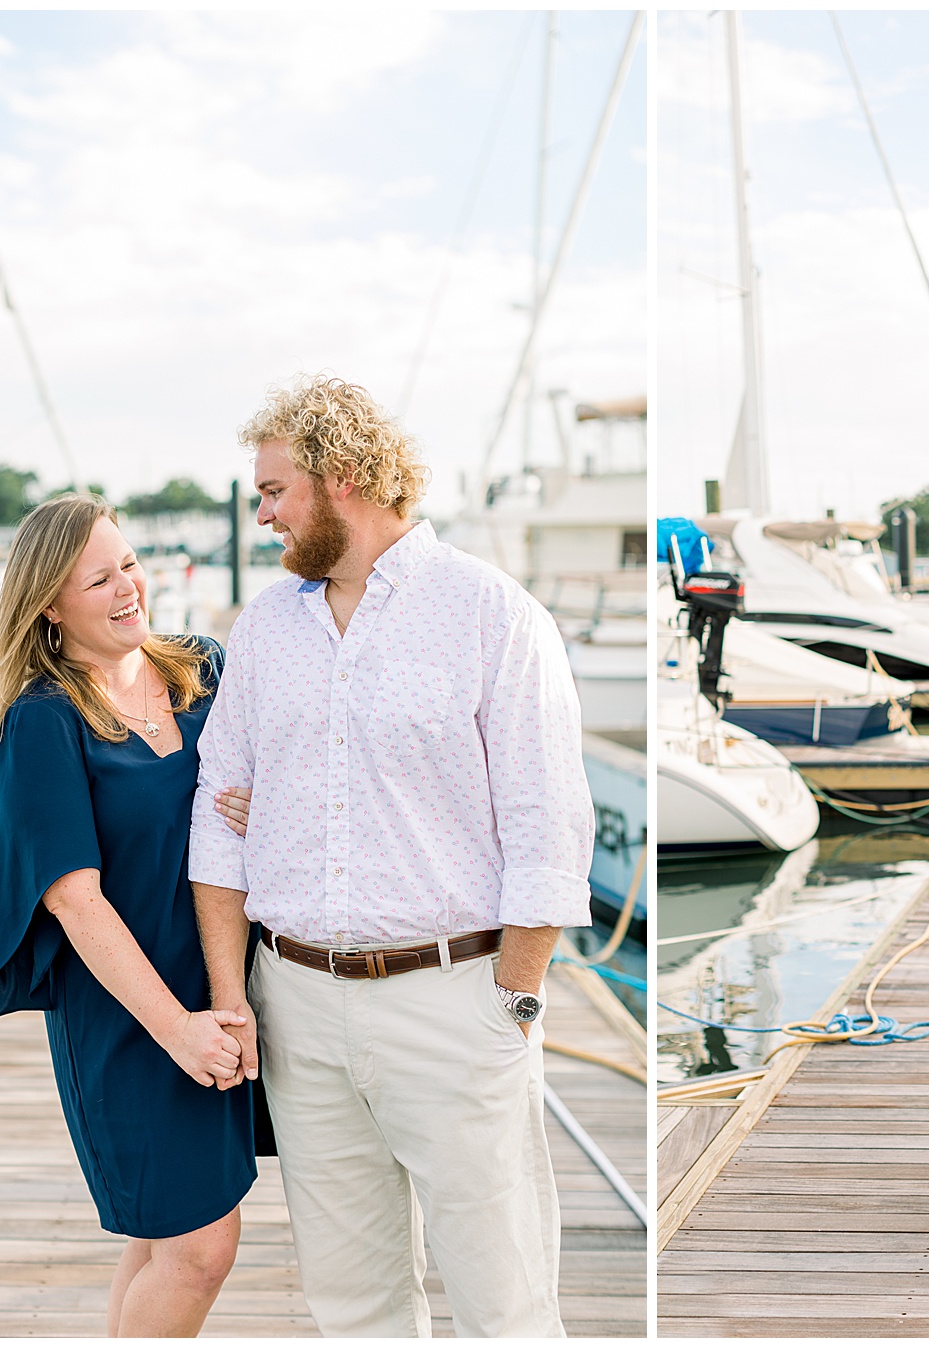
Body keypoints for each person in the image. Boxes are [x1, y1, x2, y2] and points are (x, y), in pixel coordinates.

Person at [188, 375, 594, 1337]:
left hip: (455, 999)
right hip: (295, 1004)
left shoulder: (493, 616)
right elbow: (217, 813)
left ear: (347, 478)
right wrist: (232, 995)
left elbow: (548, 829)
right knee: (351, 1304)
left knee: (506, 1302)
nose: (262, 514)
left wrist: (515, 1000)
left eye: (275, 490)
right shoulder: (265, 627)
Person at [0, 495, 257, 1335]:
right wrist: (177, 1029)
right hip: (132, 1018)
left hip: (224, 984)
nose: (129, 587)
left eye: (129, 563)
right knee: (201, 1247)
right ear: (50, 606)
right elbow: (73, 898)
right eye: (99, 579)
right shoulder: (44, 721)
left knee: (161, 1236)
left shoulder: (202, 667)